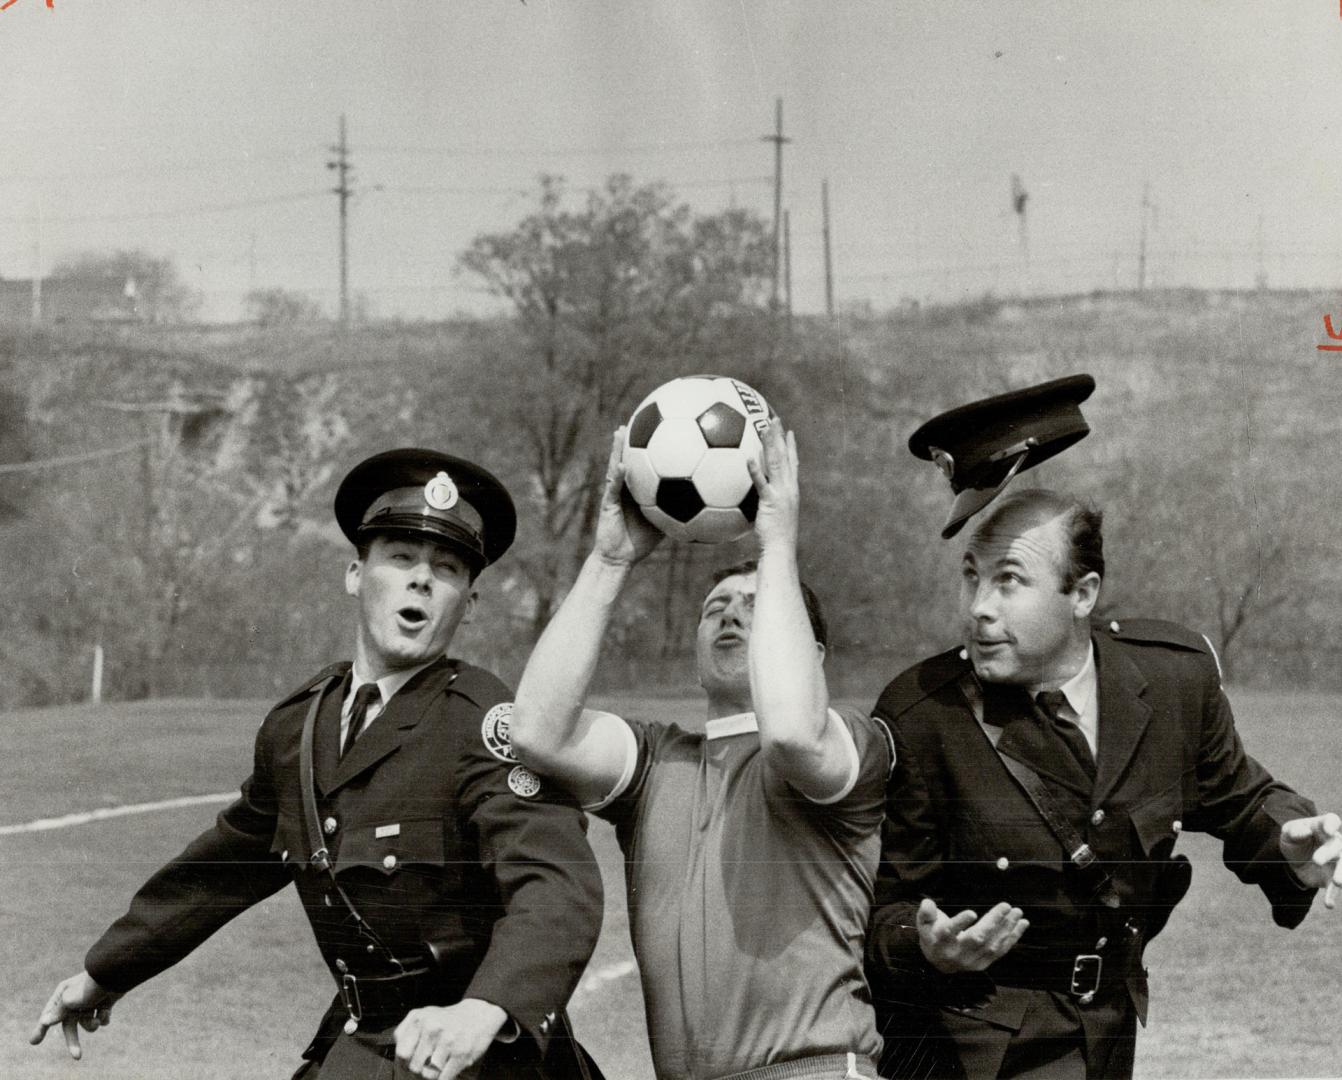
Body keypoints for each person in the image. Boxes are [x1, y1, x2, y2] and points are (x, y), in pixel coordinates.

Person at [31, 448, 606, 1080]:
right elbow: (222, 870)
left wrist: (484, 1009)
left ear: (467, 605)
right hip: (367, 1041)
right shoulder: (298, 727)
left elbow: (555, 887)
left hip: (482, 1054)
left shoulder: (484, 722)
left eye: (446, 569)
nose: (422, 580)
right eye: (400, 558)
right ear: (356, 574)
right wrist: (105, 970)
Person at [865, 379, 1342, 1080]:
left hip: (1106, 1038)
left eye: (1008, 581)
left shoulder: (1170, 682)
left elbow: (1240, 802)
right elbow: (880, 912)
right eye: (971, 578)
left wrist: (1291, 844)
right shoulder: (923, 713)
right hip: (965, 1047)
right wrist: (923, 945)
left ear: (1082, 594)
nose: (978, 609)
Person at [508, 421, 893, 1080]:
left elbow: (795, 733)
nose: (730, 615)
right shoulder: (660, 762)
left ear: (813, 654)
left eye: (754, 604)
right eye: (716, 605)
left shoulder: (853, 745)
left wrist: (777, 546)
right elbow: (537, 732)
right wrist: (609, 560)